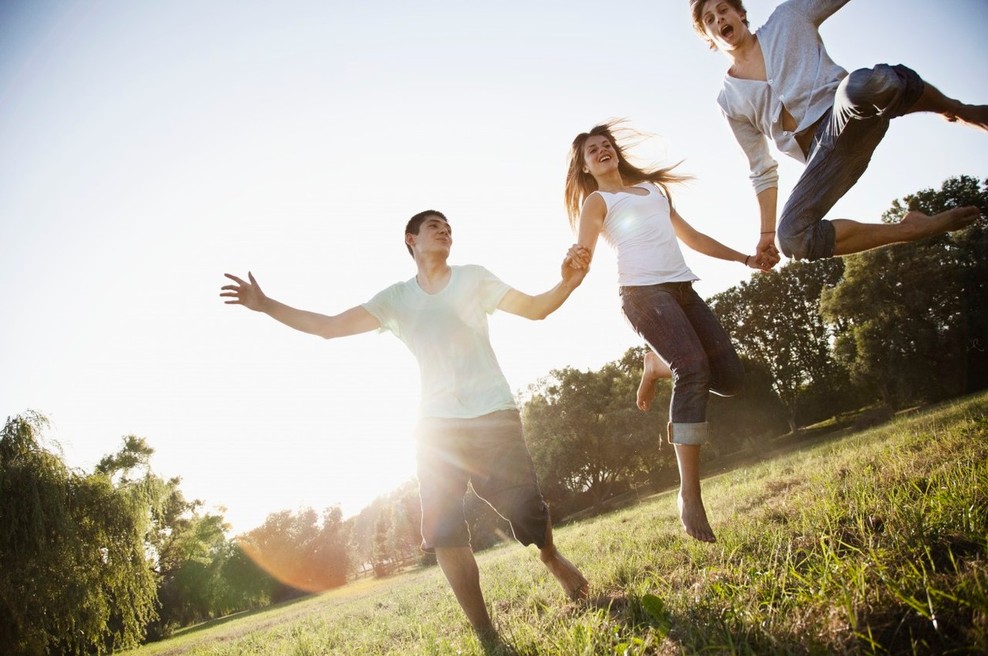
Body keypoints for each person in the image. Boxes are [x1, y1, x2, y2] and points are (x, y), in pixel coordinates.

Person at [220, 210, 589, 647]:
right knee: (444, 526)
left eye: (449, 226)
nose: (445, 230)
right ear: (410, 239)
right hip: (435, 428)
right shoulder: (396, 299)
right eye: (435, 226)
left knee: (526, 507)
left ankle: (550, 555)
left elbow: (534, 309)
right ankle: (486, 632)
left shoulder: (473, 279)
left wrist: (567, 282)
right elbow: (329, 328)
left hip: (493, 414)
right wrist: (267, 306)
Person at [564, 121, 765, 543]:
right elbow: (584, 253)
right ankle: (689, 495)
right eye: (592, 151)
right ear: (585, 167)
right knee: (694, 372)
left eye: (605, 145)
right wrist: (573, 262)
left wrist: (745, 259)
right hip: (642, 294)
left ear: (615, 152)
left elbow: (692, 237)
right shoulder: (597, 201)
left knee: (730, 379)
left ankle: (658, 362)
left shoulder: (654, 191)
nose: (601, 151)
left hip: (683, 290)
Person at [689, 0, 984, 265]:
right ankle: (911, 229)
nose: (719, 20)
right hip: (827, 161)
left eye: (723, 10)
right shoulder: (729, 101)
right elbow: (761, 168)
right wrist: (767, 232)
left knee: (863, 85)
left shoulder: (787, 18)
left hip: (850, 108)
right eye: (710, 20)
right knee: (791, 237)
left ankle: (956, 109)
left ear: (740, 13)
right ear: (708, 37)